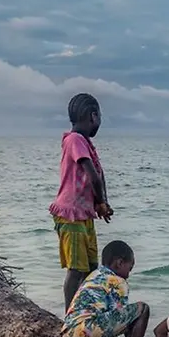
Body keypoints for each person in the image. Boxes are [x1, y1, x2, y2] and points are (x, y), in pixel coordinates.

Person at [49, 92, 114, 312]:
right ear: (93, 116)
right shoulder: (74, 140)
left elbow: (98, 175)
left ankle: (85, 311)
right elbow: (93, 176)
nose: (99, 122)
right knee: (76, 270)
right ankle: (69, 316)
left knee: (90, 269)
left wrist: (101, 203)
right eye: (99, 117)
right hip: (70, 214)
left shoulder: (85, 143)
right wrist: (102, 203)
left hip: (84, 214)